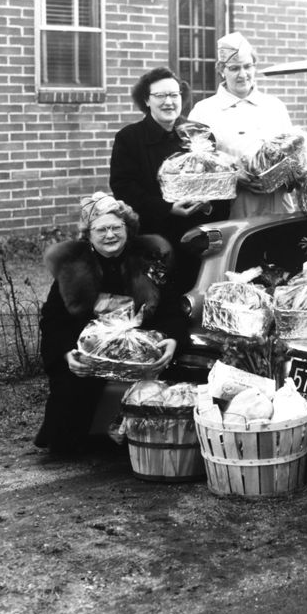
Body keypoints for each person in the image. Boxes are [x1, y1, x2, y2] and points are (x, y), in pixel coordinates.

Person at [33, 193, 186, 457]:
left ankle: (153, 441)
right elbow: (53, 321)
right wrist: (68, 354)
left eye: (116, 227)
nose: (110, 235)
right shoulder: (73, 269)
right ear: (88, 235)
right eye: (101, 229)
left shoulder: (150, 260)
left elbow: (172, 309)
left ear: (128, 229)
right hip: (91, 354)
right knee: (69, 404)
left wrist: (172, 339)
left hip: (141, 353)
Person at [109, 66, 231, 290]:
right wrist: (167, 208)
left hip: (197, 236)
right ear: (146, 100)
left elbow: (219, 181)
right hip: (153, 236)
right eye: (160, 95)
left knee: (197, 298)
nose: (169, 102)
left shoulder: (201, 134)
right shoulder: (129, 138)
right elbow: (123, 187)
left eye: (174, 95)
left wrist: (208, 206)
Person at [187, 31, 294, 219]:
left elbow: (294, 155)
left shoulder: (275, 106)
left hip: (280, 209)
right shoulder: (203, 111)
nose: (243, 74)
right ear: (221, 70)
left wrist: (284, 174)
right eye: (235, 68)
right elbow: (194, 170)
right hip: (234, 212)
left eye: (247, 66)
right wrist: (234, 177)